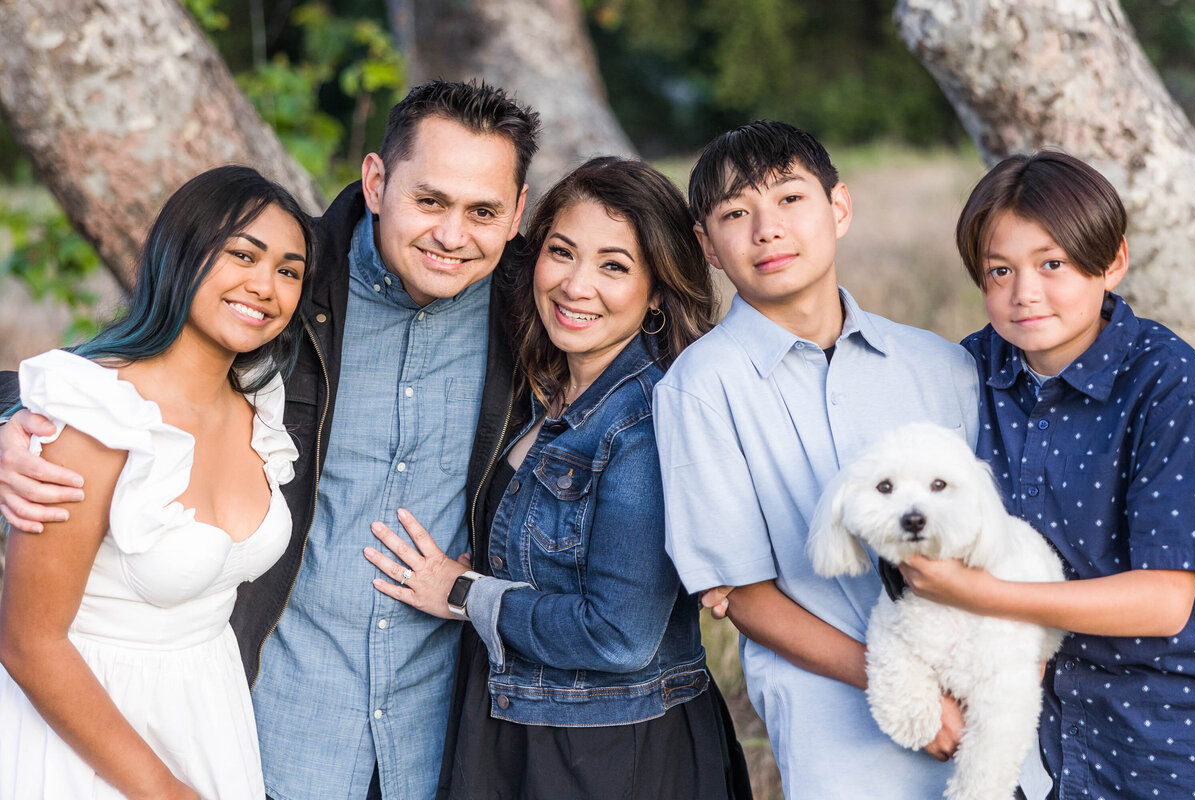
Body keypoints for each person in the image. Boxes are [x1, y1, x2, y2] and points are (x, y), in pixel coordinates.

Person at [0, 80, 539, 799]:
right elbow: (125, 366)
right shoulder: (289, 283)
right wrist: (13, 425)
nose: (452, 235)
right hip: (271, 724)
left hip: (440, 738)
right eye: (430, 201)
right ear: (376, 181)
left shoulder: (537, 311)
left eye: (482, 211)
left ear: (517, 214)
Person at [360, 156, 752, 800]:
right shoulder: (548, 388)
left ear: (657, 288)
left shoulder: (647, 420)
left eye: (614, 266)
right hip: (522, 726)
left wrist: (464, 593)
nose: (575, 285)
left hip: (610, 749)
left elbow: (620, 635)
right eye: (561, 252)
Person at [651, 120, 981, 798]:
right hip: (841, 739)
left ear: (839, 208)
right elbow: (741, 592)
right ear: (707, 245)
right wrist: (905, 690)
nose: (766, 229)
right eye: (735, 213)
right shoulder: (701, 387)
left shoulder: (942, 366)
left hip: (985, 715)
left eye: (789, 199)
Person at [0, 165, 313, 799]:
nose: (265, 286)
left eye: (288, 271)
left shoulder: (259, 412)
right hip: (86, 729)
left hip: (210, 715)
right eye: (242, 256)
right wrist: (165, 792)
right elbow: (29, 642)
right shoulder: (95, 414)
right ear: (183, 254)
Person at [897, 151, 1195, 800]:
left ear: (1112, 261)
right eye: (999, 271)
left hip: (1156, 725)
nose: (1023, 293)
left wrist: (977, 595)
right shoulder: (968, 371)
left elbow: (1163, 599)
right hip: (1012, 719)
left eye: (1052, 264)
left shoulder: (1166, 382)